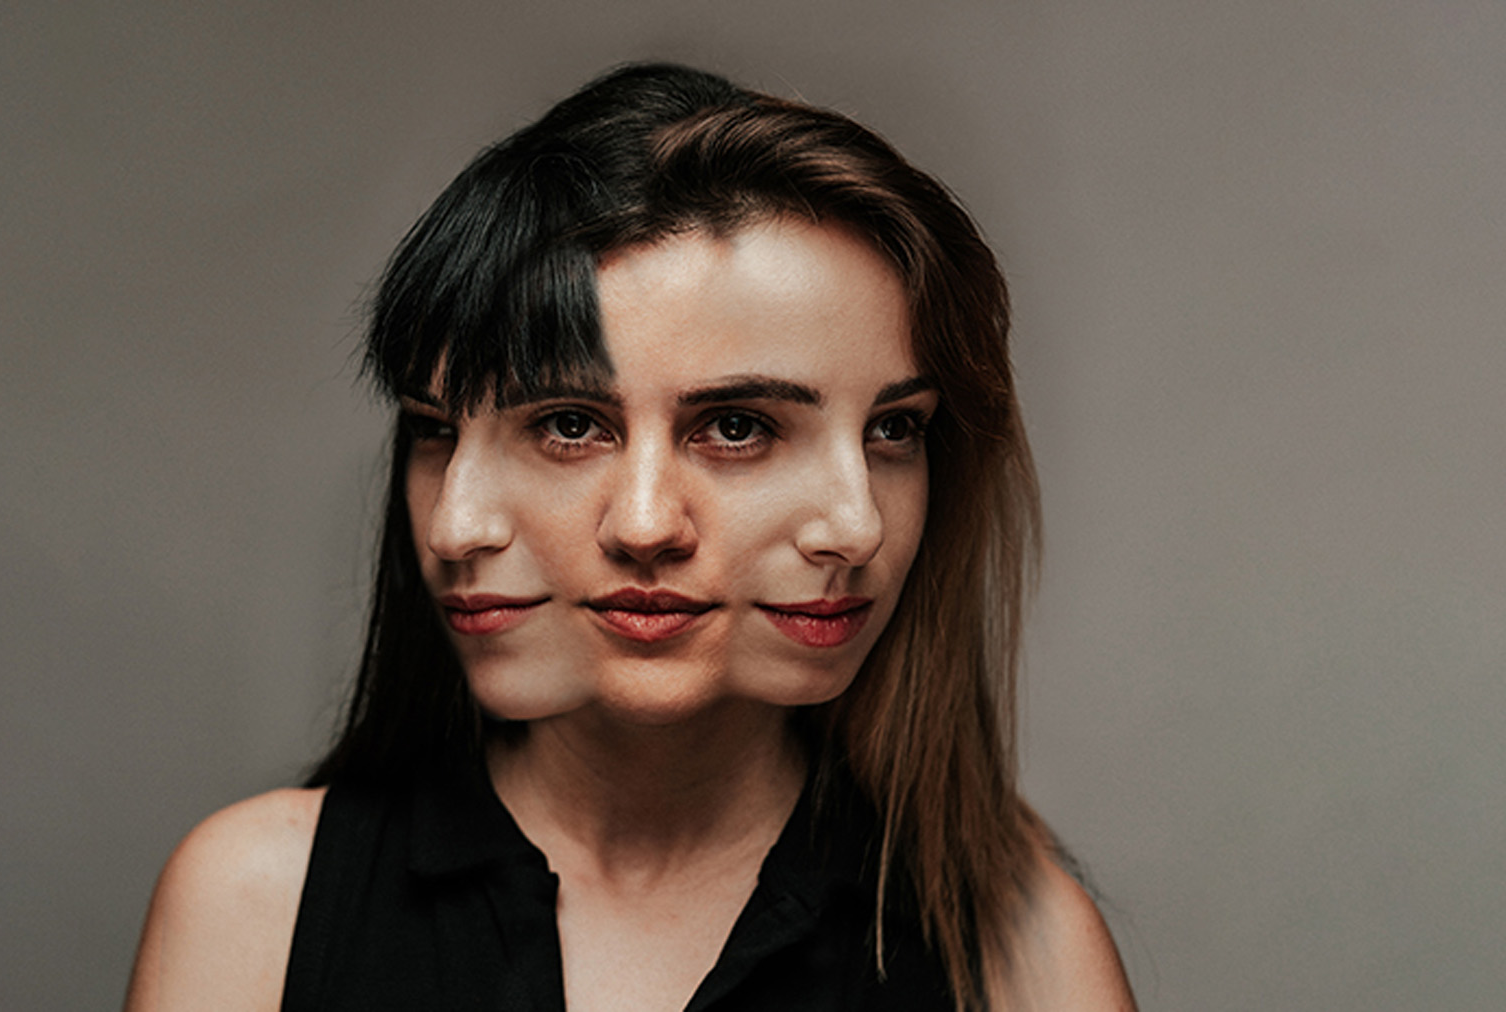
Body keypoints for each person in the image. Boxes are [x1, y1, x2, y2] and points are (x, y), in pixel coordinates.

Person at [125, 63, 1135, 1011]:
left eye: (893, 430)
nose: (856, 528)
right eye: (574, 424)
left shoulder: (1024, 953)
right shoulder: (255, 908)